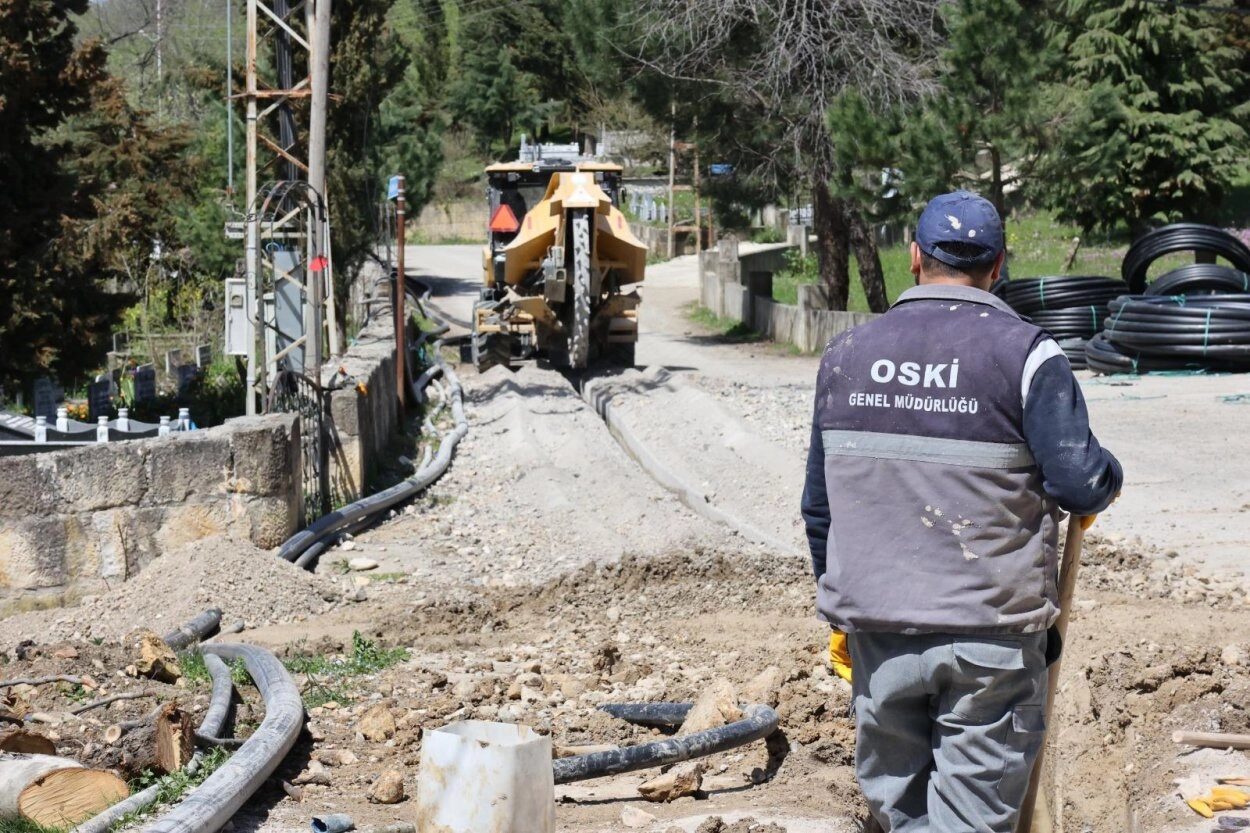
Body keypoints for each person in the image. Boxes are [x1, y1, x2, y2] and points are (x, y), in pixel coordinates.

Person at [800, 191, 1122, 832]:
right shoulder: (1027, 356)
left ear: (914, 258)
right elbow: (1081, 484)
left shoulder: (844, 358)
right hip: (989, 639)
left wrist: (843, 606)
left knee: (903, 817)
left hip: (878, 634)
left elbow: (819, 509)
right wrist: (1107, 472)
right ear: (998, 265)